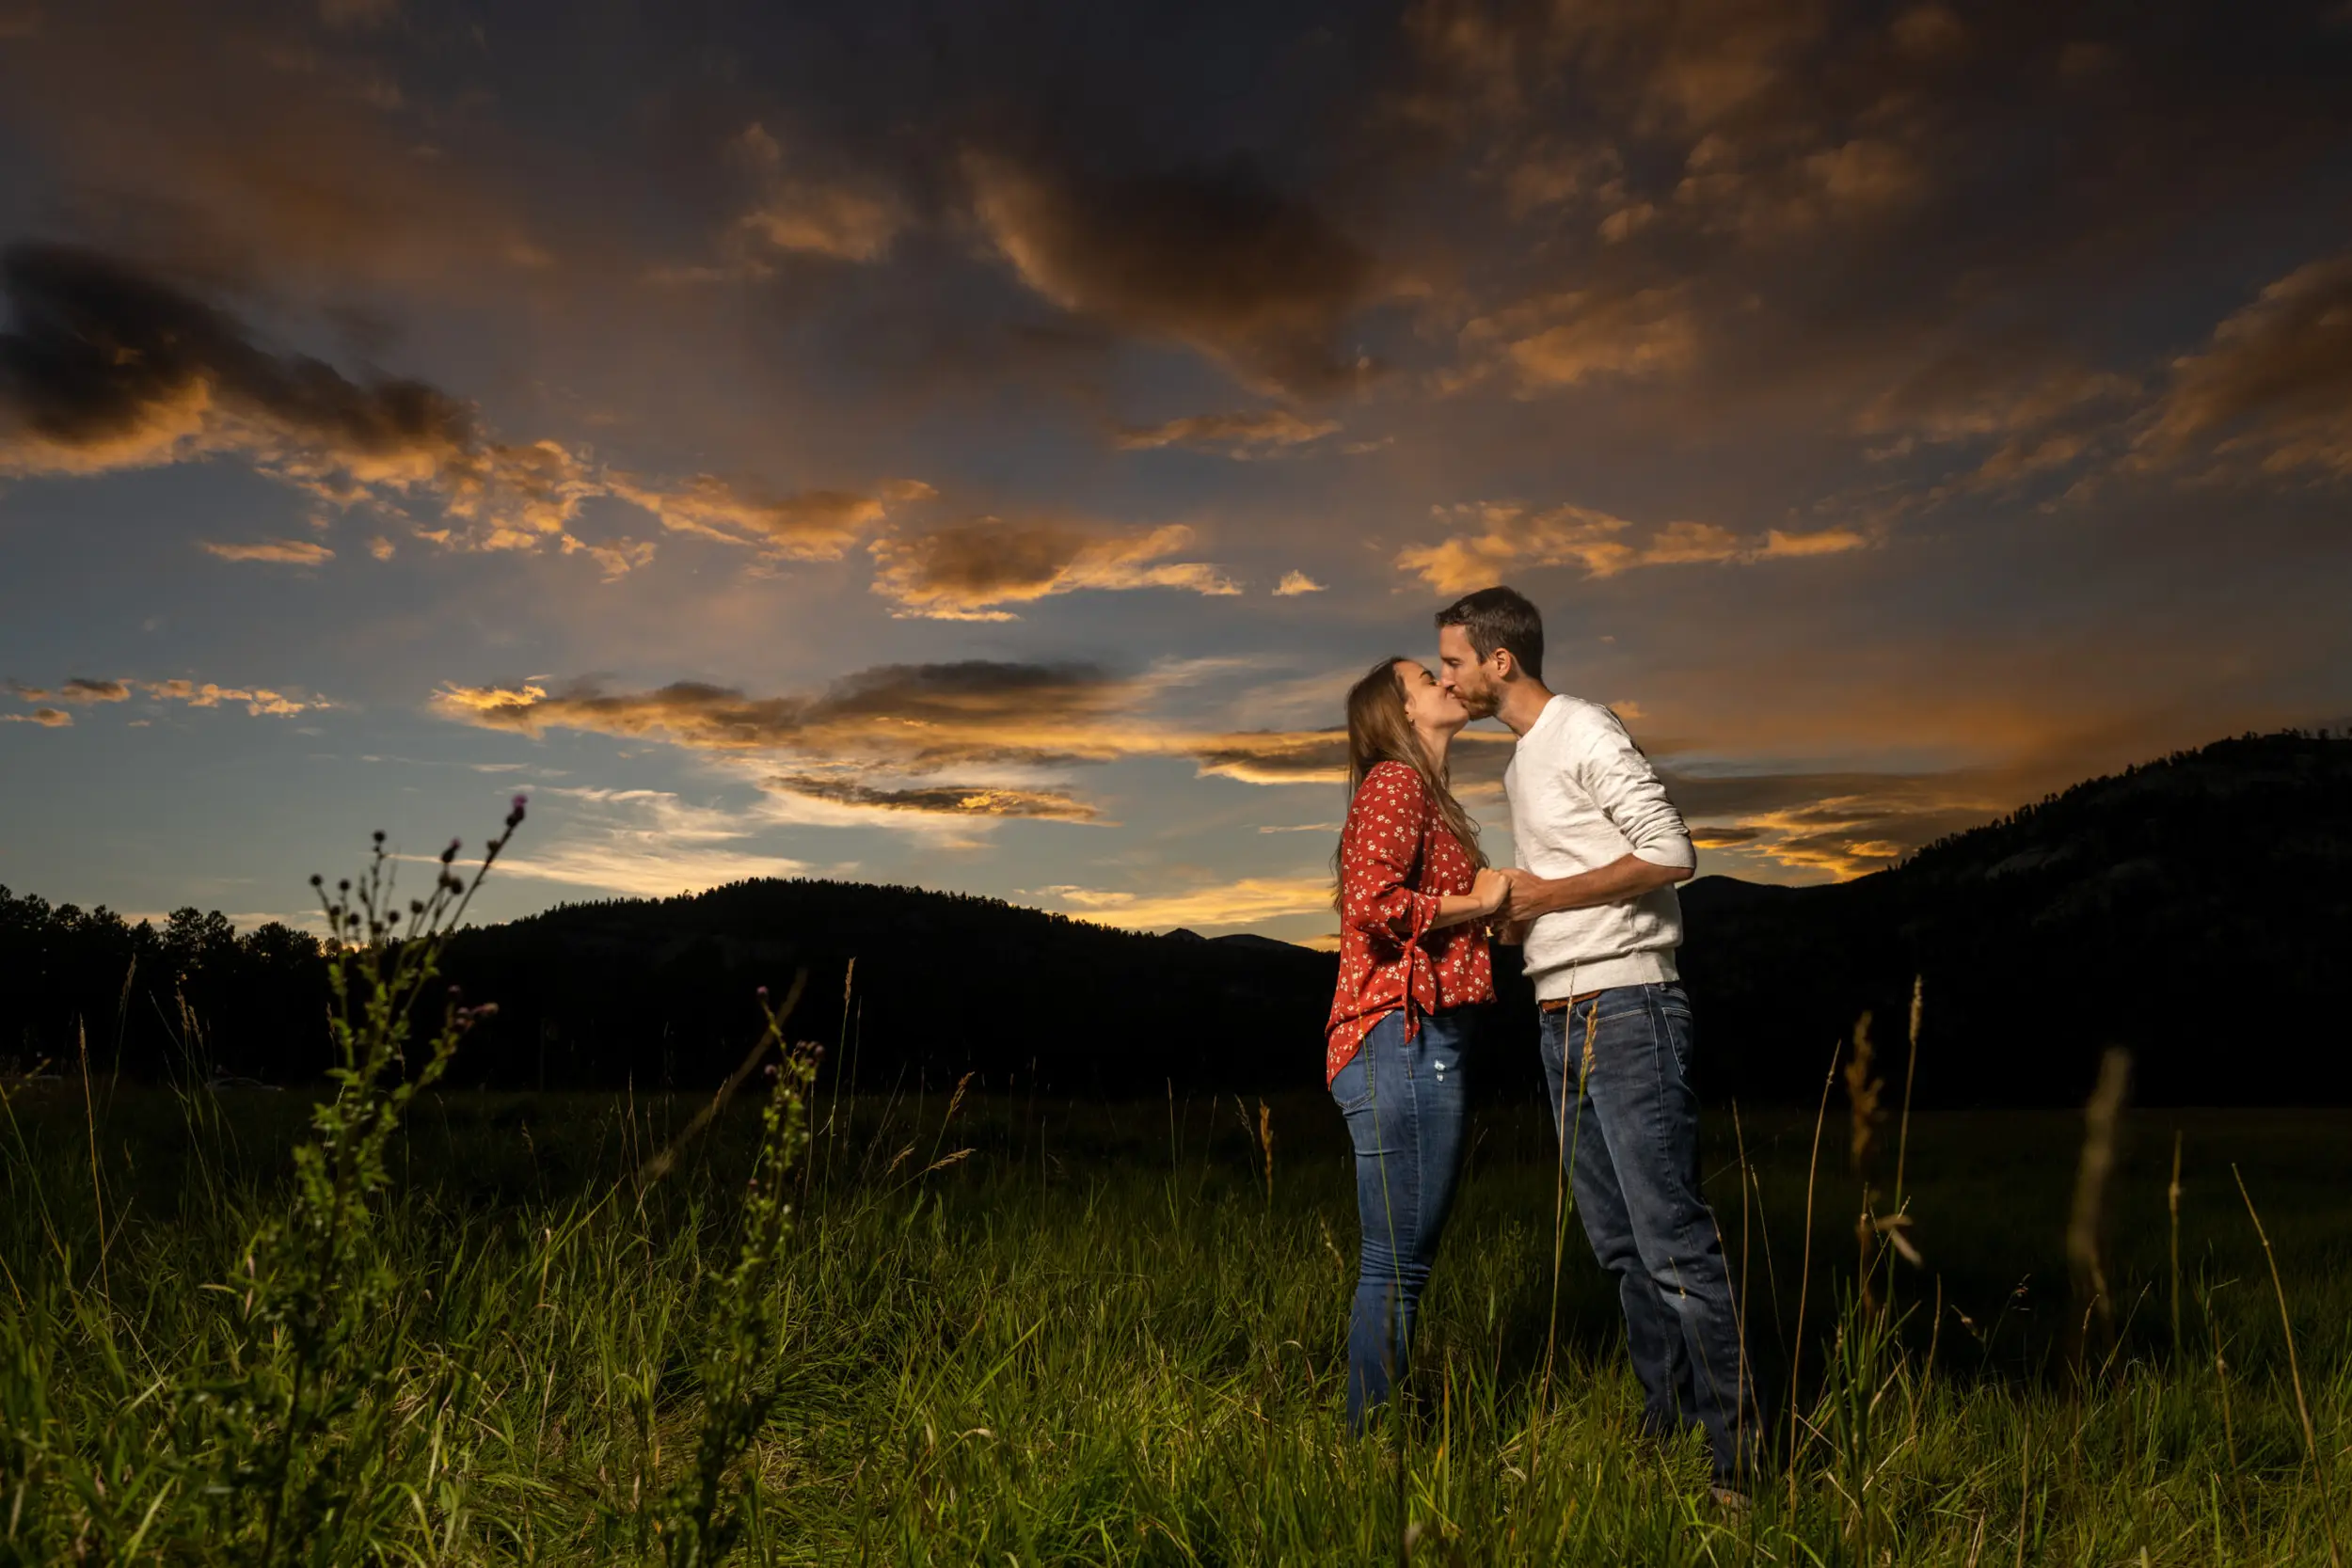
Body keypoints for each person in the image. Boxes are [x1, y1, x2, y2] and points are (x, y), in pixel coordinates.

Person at [1434, 585, 1758, 1499]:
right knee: (1617, 1245)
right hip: (1559, 1012)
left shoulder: (1578, 726)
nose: (1448, 675)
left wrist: (1541, 897)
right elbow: (1573, 876)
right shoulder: (1523, 761)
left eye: (1454, 658)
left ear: (1501, 659)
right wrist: (1521, 924)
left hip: (1627, 1009)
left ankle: (1734, 1462)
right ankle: (1663, 1434)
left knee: (1669, 1239)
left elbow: (1669, 850)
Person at [1325, 654, 1510, 1430]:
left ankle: (1367, 1436)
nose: (1444, 677)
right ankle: (1366, 1445)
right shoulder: (1395, 784)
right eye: (1424, 676)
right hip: (1399, 1033)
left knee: (1401, 1261)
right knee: (1396, 1263)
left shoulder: (1424, 796)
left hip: (1413, 1037)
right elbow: (1372, 902)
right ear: (1397, 712)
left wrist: (1483, 911)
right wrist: (1473, 900)